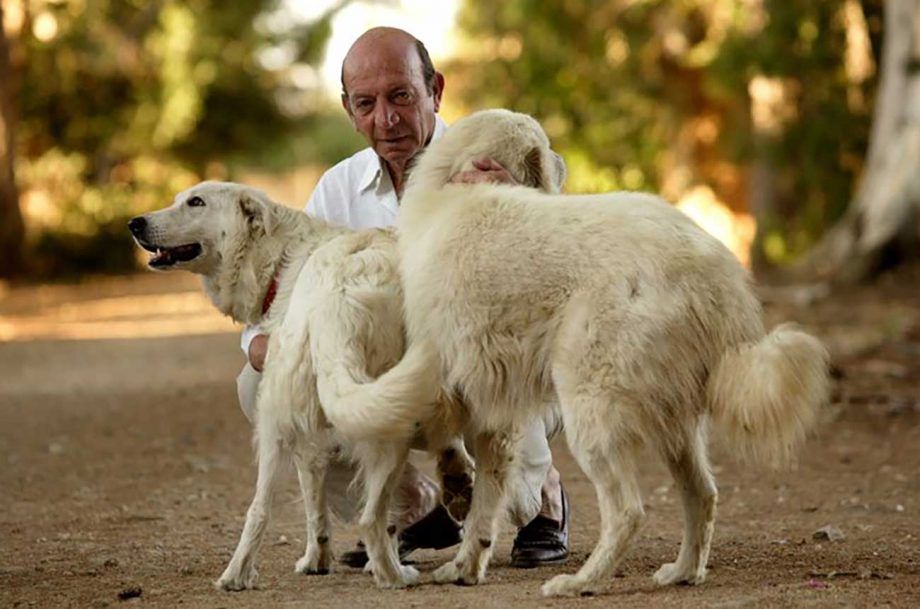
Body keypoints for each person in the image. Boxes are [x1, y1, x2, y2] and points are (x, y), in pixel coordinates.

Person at [237, 26, 569, 568]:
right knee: (260, 385)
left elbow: (561, 272)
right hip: (399, 384)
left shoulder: (497, 155)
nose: (386, 119)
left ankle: (542, 502)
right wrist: (264, 344)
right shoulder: (337, 189)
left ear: (435, 90)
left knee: (487, 350)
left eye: (401, 96)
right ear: (348, 110)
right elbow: (288, 297)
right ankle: (414, 507)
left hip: (496, 372)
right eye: (366, 104)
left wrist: (517, 209)